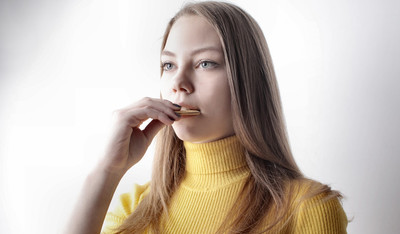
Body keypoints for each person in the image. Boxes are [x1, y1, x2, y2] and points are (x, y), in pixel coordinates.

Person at [66, 1, 348, 233]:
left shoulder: (307, 208)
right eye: (169, 64)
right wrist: (108, 171)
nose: (178, 83)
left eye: (205, 63)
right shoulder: (137, 205)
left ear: (247, 81)